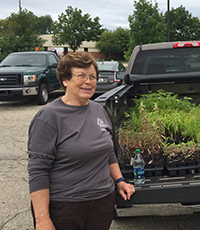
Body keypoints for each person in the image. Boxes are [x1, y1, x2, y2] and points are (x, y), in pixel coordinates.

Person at [27, 52, 135, 230]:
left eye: (92, 77)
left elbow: (107, 153)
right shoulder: (48, 117)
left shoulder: (99, 110)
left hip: (102, 203)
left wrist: (120, 181)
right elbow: (38, 171)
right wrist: (42, 219)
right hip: (65, 207)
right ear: (65, 80)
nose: (88, 81)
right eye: (81, 76)